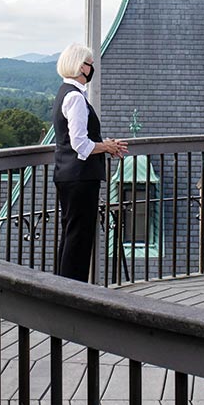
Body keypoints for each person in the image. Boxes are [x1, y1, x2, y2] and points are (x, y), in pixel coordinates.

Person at [52, 43, 127, 282]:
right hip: (80, 177)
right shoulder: (75, 98)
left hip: (68, 174)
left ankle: (63, 287)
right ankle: (73, 290)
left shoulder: (65, 92)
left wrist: (104, 144)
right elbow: (80, 144)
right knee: (79, 237)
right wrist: (107, 146)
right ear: (79, 66)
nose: (92, 67)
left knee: (71, 234)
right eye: (89, 63)